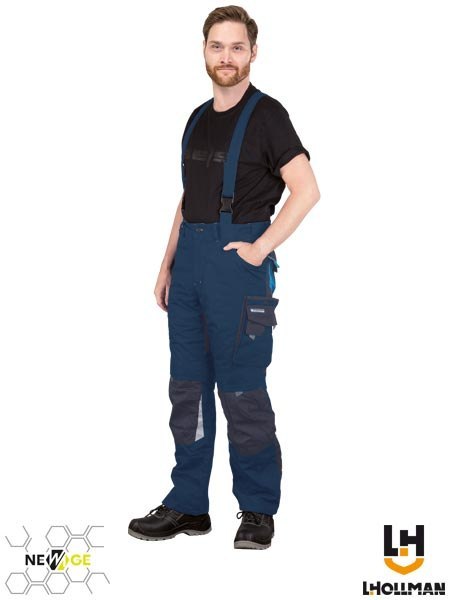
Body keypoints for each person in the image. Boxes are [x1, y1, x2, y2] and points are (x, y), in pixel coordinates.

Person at [128, 5, 320, 550]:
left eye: (238, 47)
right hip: (189, 267)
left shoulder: (269, 116)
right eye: (218, 46)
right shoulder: (195, 119)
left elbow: (307, 189)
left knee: (242, 392)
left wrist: (259, 249)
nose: (227, 56)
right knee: (187, 391)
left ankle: (258, 509)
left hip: (239, 272)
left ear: (253, 53)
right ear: (205, 51)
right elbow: (189, 198)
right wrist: (166, 263)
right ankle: (189, 504)